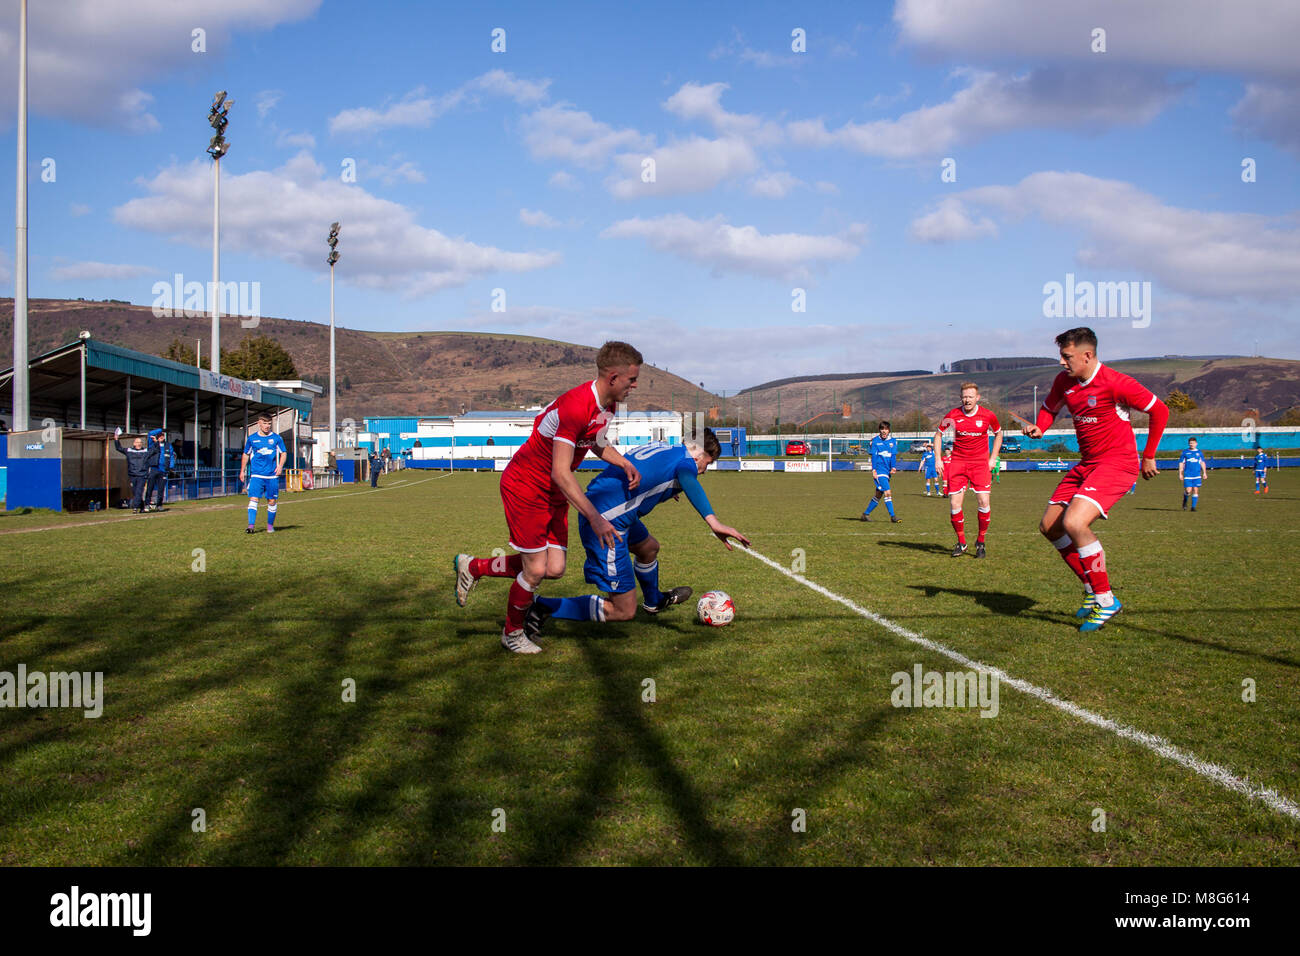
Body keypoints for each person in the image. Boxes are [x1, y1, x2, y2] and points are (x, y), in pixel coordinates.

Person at [454, 341, 644, 654]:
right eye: (631, 380)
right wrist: (594, 517)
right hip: (527, 487)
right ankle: (512, 633)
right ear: (613, 377)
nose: (635, 385)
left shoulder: (607, 406)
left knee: (553, 568)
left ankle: (474, 567)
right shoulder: (575, 405)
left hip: (554, 492)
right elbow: (560, 471)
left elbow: (594, 442)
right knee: (536, 570)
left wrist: (623, 461)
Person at [522, 429, 750, 645]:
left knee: (649, 548)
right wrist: (714, 522)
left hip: (610, 504)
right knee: (623, 609)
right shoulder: (686, 462)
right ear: (699, 453)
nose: (704, 470)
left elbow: (650, 470)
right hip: (608, 520)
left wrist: (665, 489)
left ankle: (653, 602)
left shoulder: (663, 447)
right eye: (706, 464)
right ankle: (541, 607)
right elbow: (690, 479)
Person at [1021, 327, 1169, 632]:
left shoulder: (1117, 383)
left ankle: (1106, 600)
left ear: (1087, 355)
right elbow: (1050, 408)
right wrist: (1040, 428)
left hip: (1118, 464)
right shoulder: (1064, 381)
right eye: (1061, 355)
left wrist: (1149, 455)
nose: (1062, 362)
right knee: (1050, 526)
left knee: (1075, 523)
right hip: (1087, 465)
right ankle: (1091, 590)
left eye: (1067, 356)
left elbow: (1160, 411)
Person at [933, 383, 1002, 558]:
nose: (967, 400)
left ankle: (981, 541)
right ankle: (962, 542)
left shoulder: (987, 415)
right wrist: (938, 459)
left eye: (970, 396)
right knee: (955, 504)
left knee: (984, 502)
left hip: (980, 464)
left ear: (977, 398)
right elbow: (938, 434)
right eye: (964, 397)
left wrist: (993, 458)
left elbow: (999, 433)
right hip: (958, 463)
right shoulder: (953, 415)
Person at [239, 412, 287, 534]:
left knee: (271, 501)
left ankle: (270, 526)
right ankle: (251, 526)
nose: (267, 426)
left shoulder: (276, 438)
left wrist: (280, 466)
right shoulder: (252, 439)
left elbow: (284, 453)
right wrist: (242, 470)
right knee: (254, 499)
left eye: (269, 423)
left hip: (272, 476)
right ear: (258, 423)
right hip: (257, 475)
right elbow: (246, 454)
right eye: (264, 423)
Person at [861, 421, 901, 522]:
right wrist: (873, 470)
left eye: (886, 429)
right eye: (882, 429)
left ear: (889, 430)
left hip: (887, 471)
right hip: (879, 471)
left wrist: (893, 467)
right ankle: (893, 516)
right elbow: (874, 457)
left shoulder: (893, 441)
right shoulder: (875, 441)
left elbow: (893, 456)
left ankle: (865, 514)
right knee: (888, 492)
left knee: (878, 494)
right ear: (879, 430)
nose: (884, 431)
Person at [113, 428, 153, 513]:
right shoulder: (129, 450)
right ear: (134, 443)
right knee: (135, 492)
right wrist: (116, 439)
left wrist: (156, 442)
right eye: (137, 442)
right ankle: (142, 506)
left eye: (140, 442)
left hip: (142, 475)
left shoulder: (146, 451)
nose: (138, 443)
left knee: (139, 491)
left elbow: (156, 450)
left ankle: (135, 508)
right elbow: (119, 448)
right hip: (132, 475)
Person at [144, 428, 174, 512]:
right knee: (150, 488)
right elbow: (150, 433)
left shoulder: (168, 445)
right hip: (154, 469)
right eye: (159, 435)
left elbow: (171, 456)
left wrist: (171, 466)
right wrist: (161, 430)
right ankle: (147, 504)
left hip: (163, 470)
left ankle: (159, 505)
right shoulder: (152, 444)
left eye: (162, 435)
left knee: (161, 489)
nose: (161, 437)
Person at [1178, 437, 1206, 511]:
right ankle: (1185, 500)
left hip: (1197, 474)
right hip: (1188, 474)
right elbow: (1181, 463)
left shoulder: (1199, 453)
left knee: (1195, 490)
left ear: (1196, 444)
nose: (1192, 444)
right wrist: (1180, 473)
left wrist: (1204, 473)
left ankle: (1193, 507)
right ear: (1188, 444)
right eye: (1190, 443)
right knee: (1188, 491)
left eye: (1193, 443)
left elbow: (1202, 462)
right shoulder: (1185, 452)